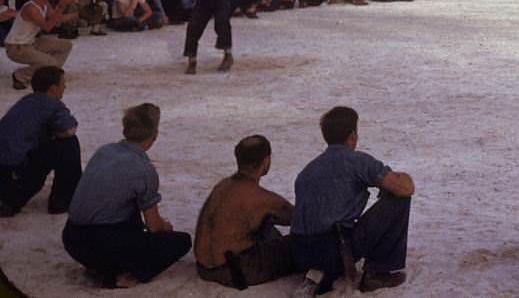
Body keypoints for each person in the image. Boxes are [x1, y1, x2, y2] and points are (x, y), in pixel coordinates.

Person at [62, 103, 192, 288]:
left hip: (71, 238)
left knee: (128, 210)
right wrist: (166, 227)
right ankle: (120, 272)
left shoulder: (104, 151)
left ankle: (103, 265)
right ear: (155, 134)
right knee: (181, 241)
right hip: (102, 243)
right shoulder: (144, 169)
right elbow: (154, 226)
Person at [291, 106, 414, 293]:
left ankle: (321, 273)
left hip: (300, 252)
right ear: (353, 135)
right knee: (398, 199)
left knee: (328, 229)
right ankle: (377, 273)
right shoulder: (356, 161)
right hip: (334, 248)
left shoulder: (306, 171)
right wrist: (398, 178)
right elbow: (405, 188)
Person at [194, 135, 298, 288]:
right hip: (235, 272)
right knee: (297, 245)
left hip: (204, 269)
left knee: (265, 226)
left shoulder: (222, 186)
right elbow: (299, 218)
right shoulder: (261, 198)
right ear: (265, 161)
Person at [0, 66, 81, 217]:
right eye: (63, 84)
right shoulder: (52, 106)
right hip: (14, 178)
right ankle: (63, 200)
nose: (65, 87)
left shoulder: (25, 101)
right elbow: (69, 129)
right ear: (53, 89)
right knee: (68, 144)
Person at [6, 0, 73, 91]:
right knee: (50, 62)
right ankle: (20, 75)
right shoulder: (30, 7)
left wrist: (72, 13)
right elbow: (47, 27)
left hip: (31, 42)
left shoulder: (45, 4)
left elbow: (55, 20)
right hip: (17, 47)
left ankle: (51, 74)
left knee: (66, 45)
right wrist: (61, 6)